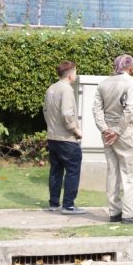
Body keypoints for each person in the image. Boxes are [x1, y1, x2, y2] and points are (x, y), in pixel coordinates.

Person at [92, 54, 133, 225]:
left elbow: (96, 109)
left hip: (107, 131)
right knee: (131, 171)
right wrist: (117, 131)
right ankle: (130, 213)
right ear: (130, 67)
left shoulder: (103, 83)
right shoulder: (132, 82)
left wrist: (105, 129)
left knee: (113, 171)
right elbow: (130, 109)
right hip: (124, 131)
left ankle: (114, 211)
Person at [43, 60, 85, 215]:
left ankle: (54, 204)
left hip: (52, 137)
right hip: (67, 139)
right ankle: (68, 206)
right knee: (73, 171)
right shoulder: (66, 89)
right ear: (70, 74)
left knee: (55, 171)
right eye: (75, 72)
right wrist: (76, 130)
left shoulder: (51, 88)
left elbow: (45, 111)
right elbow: (67, 113)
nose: (76, 75)